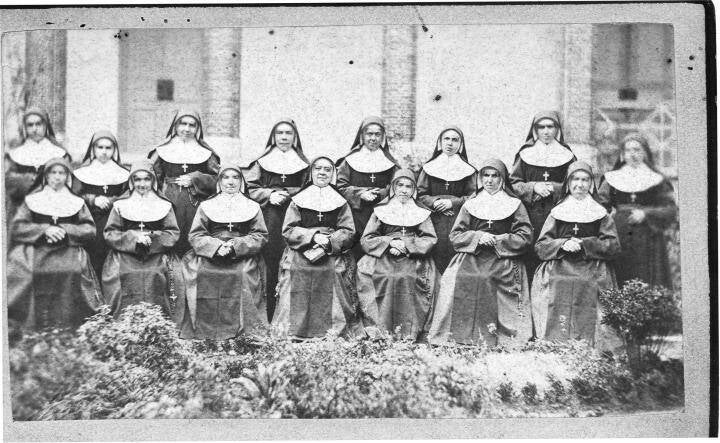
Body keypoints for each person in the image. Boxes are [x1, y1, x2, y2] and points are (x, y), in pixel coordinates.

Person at [428, 159, 533, 347]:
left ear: (502, 179)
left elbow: (525, 236)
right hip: (472, 255)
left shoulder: (515, 204)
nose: (489, 180)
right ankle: (459, 334)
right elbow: (456, 235)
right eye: (486, 175)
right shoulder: (471, 203)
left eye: (495, 176)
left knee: (488, 278)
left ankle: (498, 335)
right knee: (459, 277)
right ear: (480, 178)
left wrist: (498, 240)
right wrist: (478, 237)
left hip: (504, 258)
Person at [531, 161, 621, 349]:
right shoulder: (557, 212)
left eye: (585, 180)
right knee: (559, 283)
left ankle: (589, 346)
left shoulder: (600, 213)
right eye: (575, 179)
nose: (579, 185)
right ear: (568, 183)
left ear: (591, 184)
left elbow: (613, 246)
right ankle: (555, 344)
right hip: (559, 267)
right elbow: (541, 246)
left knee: (586, 283)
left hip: (592, 267)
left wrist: (585, 244)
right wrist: (562, 244)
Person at [7, 157, 104, 330]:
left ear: (67, 176)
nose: (57, 177)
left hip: (68, 249)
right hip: (37, 249)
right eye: (53, 172)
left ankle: (68, 325)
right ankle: (33, 326)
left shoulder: (77, 202)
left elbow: (90, 229)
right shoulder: (32, 200)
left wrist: (65, 230)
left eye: (61, 173)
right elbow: (18, 227)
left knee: (73, 271)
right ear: (46, 176)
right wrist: (45, 229)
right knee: (28, 273)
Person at [272, 156, 363, 339]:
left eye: (327, 169)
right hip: (301, 248)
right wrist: (312, 236)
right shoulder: (297, 200)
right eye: (318, 169)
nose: (322, 173)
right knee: (296, 270)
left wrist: (330, 241)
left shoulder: (341, 201)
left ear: (333, 174)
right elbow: (288, 230)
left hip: (331, 249)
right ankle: (294, 330)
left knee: (334, 271)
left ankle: (332, 330)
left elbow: (348, 231)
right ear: (311, 172)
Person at [179, 164, 269, 340]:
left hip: (242, 254)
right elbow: (196, 235)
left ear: (241, 181)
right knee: (200, 272)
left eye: (235, 177)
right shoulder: (206, 205)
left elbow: (260, 235)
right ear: (219, 181)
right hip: (211, 253)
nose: (230, 182)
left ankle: (243, 331)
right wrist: (216, 247)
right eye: (226, 177)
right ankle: (206, 329)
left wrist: (236, 246)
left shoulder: (253, 206)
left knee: (245, 273)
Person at [356, 169, 440, 341]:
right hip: (383, 255)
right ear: (393, 187)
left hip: (413, 256)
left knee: (407, 276)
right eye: (400, 185)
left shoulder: (421, 212)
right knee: (385, 276)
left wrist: (406, 245)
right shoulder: (381, 210)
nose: (403, 190)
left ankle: (409, 330)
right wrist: (389, 242)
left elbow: (429, 238)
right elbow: (367, 239)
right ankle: (382, 329)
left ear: (414, 189)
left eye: (408, 186)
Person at [245, 118, 310, 322]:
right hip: (270, 218)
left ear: (295, 137)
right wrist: (269, 195)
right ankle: (268, 312)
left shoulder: (304, 164)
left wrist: (289, 194)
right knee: (270, 260)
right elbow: (249, 188)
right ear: (273, 137)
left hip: (295, 218)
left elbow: (309, 188)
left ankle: (290, 313)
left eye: (288, 133)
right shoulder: (261, 162)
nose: (284, 137)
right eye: (279, 133)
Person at [102, 160, 183, 319]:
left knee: (155, 274)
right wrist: (133, 238)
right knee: (127, 274)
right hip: (125, 254)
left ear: (153, 180)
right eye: (137, 179)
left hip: (156, 254)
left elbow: (172, 233)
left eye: (146, 179)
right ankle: (125, 322)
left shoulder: (164, 204)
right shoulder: (120, 204)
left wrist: (152, 237)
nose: (142, 184)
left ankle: (157, 322)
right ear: (131, 181)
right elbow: (110, 233)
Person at [598, 133, 677, 288]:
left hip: (649, 238)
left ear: (645, 152)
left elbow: (669, 209)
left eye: (637, 149)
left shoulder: (657, 179)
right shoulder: (611, 178)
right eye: (628, 150)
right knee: (620, 276)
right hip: (619, 235)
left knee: (646, 278)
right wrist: (609, 221)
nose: (632, 154)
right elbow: (600, 206)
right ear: (622, 154)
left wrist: (646, 214)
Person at [510, 111, 575, 281]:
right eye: (541, 127)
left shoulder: (567, 155)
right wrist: (533, 187)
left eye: (550, 127)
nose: (546, 131)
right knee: (529, 255)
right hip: (530, 214)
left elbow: (576, 183)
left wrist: (555, 187)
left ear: (557, 129)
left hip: (557, 214)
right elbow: (513, 184)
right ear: (535, 130)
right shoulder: (525, 154)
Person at [148, 110, 220, 255]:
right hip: (169, 200)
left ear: (197, 128)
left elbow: (218, 179)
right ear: (175, 125)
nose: (187, 129)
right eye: (183, 124)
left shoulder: (206, 152)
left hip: (196, 204)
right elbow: (152, 178)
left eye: (192, 125)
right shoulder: (161, 150)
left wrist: (196, 178)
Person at [336, 116, 401, 259]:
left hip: (381, 212)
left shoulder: (390, 162)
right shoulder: (349, 161)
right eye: (369, 134)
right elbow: (340, 186)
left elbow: (399, 185)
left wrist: (381, 193)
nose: (373, 138)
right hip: (356, 214)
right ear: (362, 135)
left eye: (377, 134)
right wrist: (360, 194)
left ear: (382, 137)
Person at [416, 126, 477, 273]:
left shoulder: (469, 170)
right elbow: (419, 194)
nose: (450, 143)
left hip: (458, 220)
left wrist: (452, 203)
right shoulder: (428, 168)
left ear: (460, 144)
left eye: (455, 140)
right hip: (433, 220)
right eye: (446, 139)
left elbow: (474, 196)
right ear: (440, 142)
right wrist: (435, 202)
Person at [72, 130, 130, 277]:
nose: (104, 152)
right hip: (89, 217)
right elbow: (74, 195)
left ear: (114, 149)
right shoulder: (82, 171)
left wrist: (112, 201)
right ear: (93, 149)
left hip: (114, 218)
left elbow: (128, 194)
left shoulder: (123, 172)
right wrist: (93, 199)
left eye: (108, 148)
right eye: (100, 147)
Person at [5, 109, 70, 222]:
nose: (34, 129)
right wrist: (29, 181)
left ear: (45, 125)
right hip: (21, 206)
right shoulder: (15, 154)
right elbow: (8, 180)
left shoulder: (59, 153)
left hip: (52, 206)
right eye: (30, 125)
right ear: (25, 128)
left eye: (38, 124)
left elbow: (69, 180)